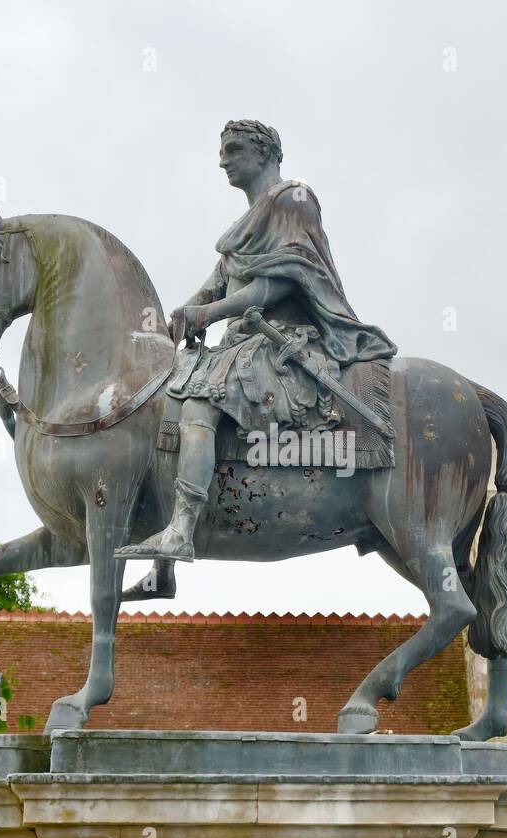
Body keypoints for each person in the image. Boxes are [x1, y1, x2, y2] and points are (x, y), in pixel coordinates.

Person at [115, 119, 396, 562]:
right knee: (163, 397)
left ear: (265, 152)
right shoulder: (242, 224)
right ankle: (162, 552)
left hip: (282, 339)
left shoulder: (294, 200)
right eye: (222, 151)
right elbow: (217, 283)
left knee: (199, 404)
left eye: (234, 149)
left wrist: (210, 314)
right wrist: (184, 314)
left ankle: (182, 530)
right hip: (239, 339)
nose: (223, 160)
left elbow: (281, 284)